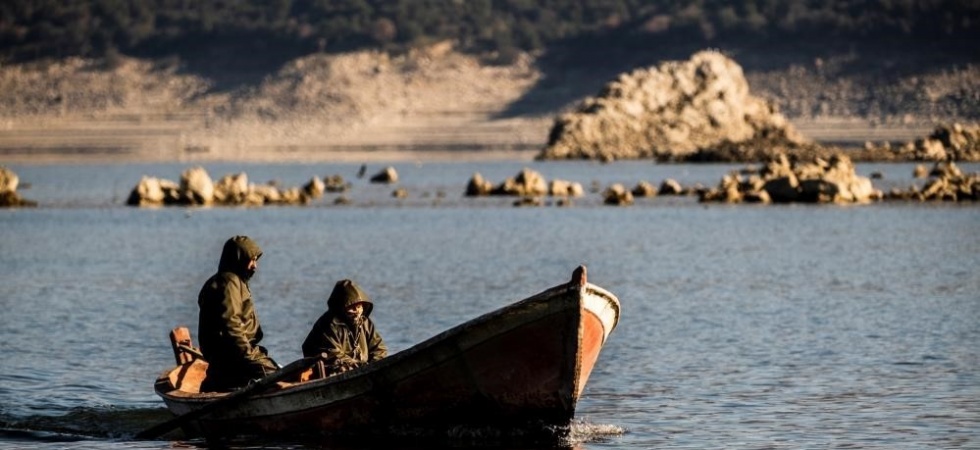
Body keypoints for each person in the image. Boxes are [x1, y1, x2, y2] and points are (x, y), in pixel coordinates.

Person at [197, 235, 279, 392]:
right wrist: (247, 355)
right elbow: (230, 323)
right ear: (239, 259)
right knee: (276, 376)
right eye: (251, 260)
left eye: (256, 260)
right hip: (233, 355)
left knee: (277, 371)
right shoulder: (229, 283)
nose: (254, 266)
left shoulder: (232, 281)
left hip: (234, 354)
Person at [302, 279, 387, 376]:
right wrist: (359, 366)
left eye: (359, 307)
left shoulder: (365, 323)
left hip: (362, 369)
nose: (357, 311)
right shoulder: (330, 324)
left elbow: (379, 348)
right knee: (340, 368)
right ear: (341, 307)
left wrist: (372, 365)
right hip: (331, 370)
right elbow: (332, 353)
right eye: (352, 307)